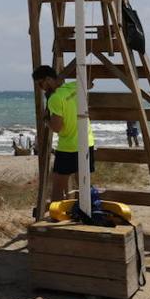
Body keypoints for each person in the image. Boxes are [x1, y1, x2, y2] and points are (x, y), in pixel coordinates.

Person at [32, 65, 96, 202]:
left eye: (40, 83)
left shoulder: (54, 98)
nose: (40, 88)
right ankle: (92, 209)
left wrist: (46, 120)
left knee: (57, 187)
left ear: (48, 79)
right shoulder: (74, 86)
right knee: (84, 184)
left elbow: (57, 127)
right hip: (87, 142)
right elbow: (90, 83)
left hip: (68, 147)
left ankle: (55, 218)